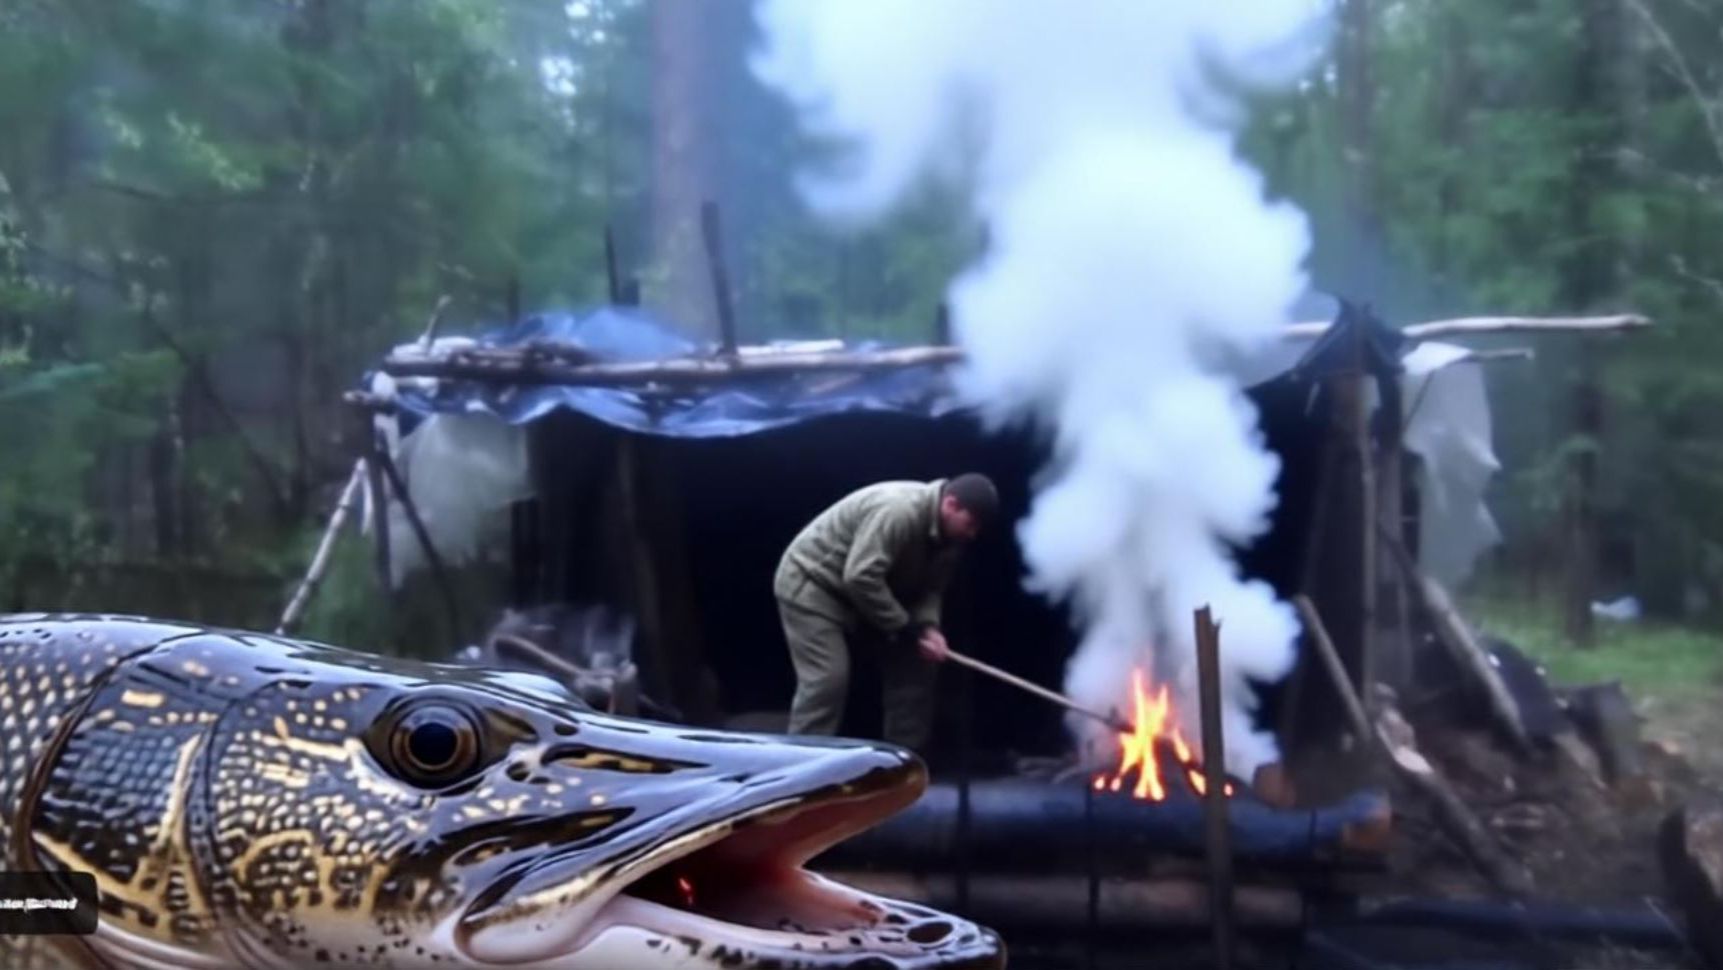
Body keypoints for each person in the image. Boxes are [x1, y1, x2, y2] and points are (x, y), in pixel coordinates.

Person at [773, 473, 998, 752]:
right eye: (971, 523)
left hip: (873, 596)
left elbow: (930, 591)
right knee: (828, 679)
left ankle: (904, 762)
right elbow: (860, 576)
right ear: (951, 505)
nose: (972, 534)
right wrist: (904, 627)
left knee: (917, 665)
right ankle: (802, 761)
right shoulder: (898, 511)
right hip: (815, 586)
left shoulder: (951, 540)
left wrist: (928, 628)